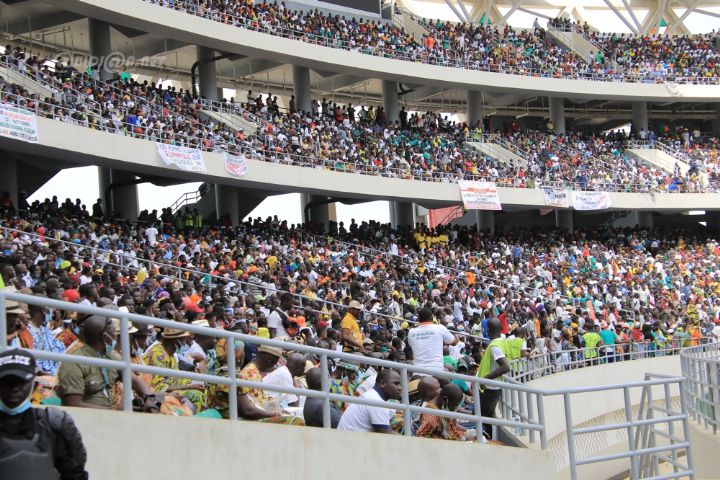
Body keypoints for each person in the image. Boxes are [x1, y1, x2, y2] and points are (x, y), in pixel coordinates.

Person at [0, 349, 89, 480]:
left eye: (20, 382)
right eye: (7, 382)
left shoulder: (55, 424)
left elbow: (74, 473)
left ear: (34, 385)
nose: (14, 388)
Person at [56, 315, 158, 411]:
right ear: (105, 336)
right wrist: (114, 412)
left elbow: (134, 381)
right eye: (114, 334)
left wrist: (148, 398)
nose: (116, 338)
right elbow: (74, 404)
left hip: (108, 414)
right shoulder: (75, 362)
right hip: (85, 420)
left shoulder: (110, 356)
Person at [338, 368, 401, 433]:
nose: (400, 388)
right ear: (382, 383)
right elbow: (387, 436)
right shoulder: (376, 401)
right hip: (348, 441)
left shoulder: (372, 395)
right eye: (396, 384)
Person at [477, 318, 509, 440]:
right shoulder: (502, 342)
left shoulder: (495, 346)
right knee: (487, 416)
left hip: (490, 388)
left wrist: (486, 378)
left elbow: (506, 367)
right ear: (501, 329)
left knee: (481, 416)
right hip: (494, 387)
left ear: (488, 330)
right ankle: (489, 439)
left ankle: (486, 440)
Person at [407, 307, 457, 373]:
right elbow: (454, 342)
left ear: (418, 319)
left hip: (417, 372)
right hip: (436, 372)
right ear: (432, 318)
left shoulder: (411, 332)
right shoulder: (440, 328)